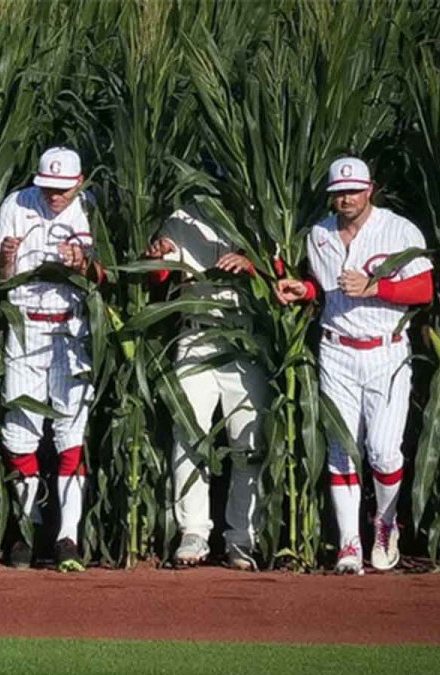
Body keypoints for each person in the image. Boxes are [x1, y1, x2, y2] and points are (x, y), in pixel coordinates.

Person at [276, 156, 433, 574]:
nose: (346, 199)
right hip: (336, 350)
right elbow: (323, 286)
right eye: (339, 193)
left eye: (354, 191)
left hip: (385, 351)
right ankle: (349, 544)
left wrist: (375, 286)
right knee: (342, 451)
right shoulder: (320, 234)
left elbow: (424, 289)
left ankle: (384, 522)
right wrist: (302, 289)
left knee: (383, 452)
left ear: (370, 189)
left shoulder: (398, 229)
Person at [0, 146, 106, 572]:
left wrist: (85, 263)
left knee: (70, 434)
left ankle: (67, 537)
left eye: (62, 190)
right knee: (20, 433)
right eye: (48, 188)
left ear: (79, 182)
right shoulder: (15, 205)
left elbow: (107, 275)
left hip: (72, 329)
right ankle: (24, 528)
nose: (54, 196)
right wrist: (6, 259)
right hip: (25, 326)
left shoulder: (91, 209)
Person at [143, 202, 270, 571]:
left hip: (244, 337)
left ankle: (242, 537)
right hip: (196, 335)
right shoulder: (181, 218)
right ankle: (192, 532)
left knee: (247, 440)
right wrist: (158, 260)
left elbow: (283, 270)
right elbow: (159, 279)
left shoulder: (258, 211)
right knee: (189, 434)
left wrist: (251, 266)